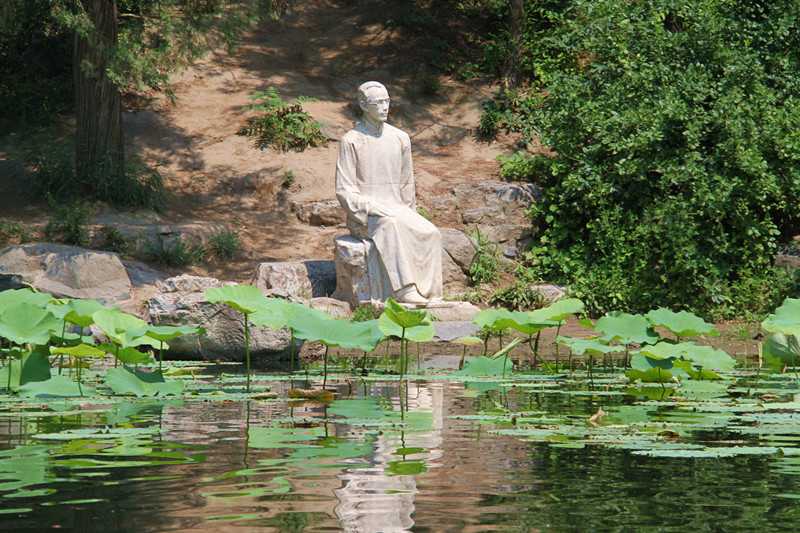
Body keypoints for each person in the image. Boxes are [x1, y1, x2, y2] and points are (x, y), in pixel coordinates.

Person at [335, 81, 442, 304]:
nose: (385, 107)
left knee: (430, 232)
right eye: (378, 103)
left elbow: (406, 185)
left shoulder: (400, 138)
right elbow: (345, 190)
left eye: (387, 102)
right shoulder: (351, 140)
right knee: (391, 225)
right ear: (364, 105)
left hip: (397, 208)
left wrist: (410, 215)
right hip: (366, 215)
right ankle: (404, 290)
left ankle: (431, 294)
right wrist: (369, 207)